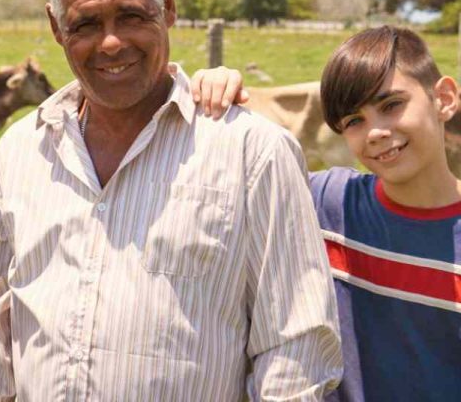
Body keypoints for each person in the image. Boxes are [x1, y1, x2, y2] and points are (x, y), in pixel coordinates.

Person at [0, 0, 342, 401]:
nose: (111, 43)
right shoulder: (19, 154)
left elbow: (296, 347)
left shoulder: (251, 152)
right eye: (86, 25)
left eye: (132, 16)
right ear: (56, 27)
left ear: (169, 7)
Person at [193, 26, 461, 401]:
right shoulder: (326, 202)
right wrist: (213, 90)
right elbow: (225, 185)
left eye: (391, 105)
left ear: (444, 98)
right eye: (354, 121)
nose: (376, 132)